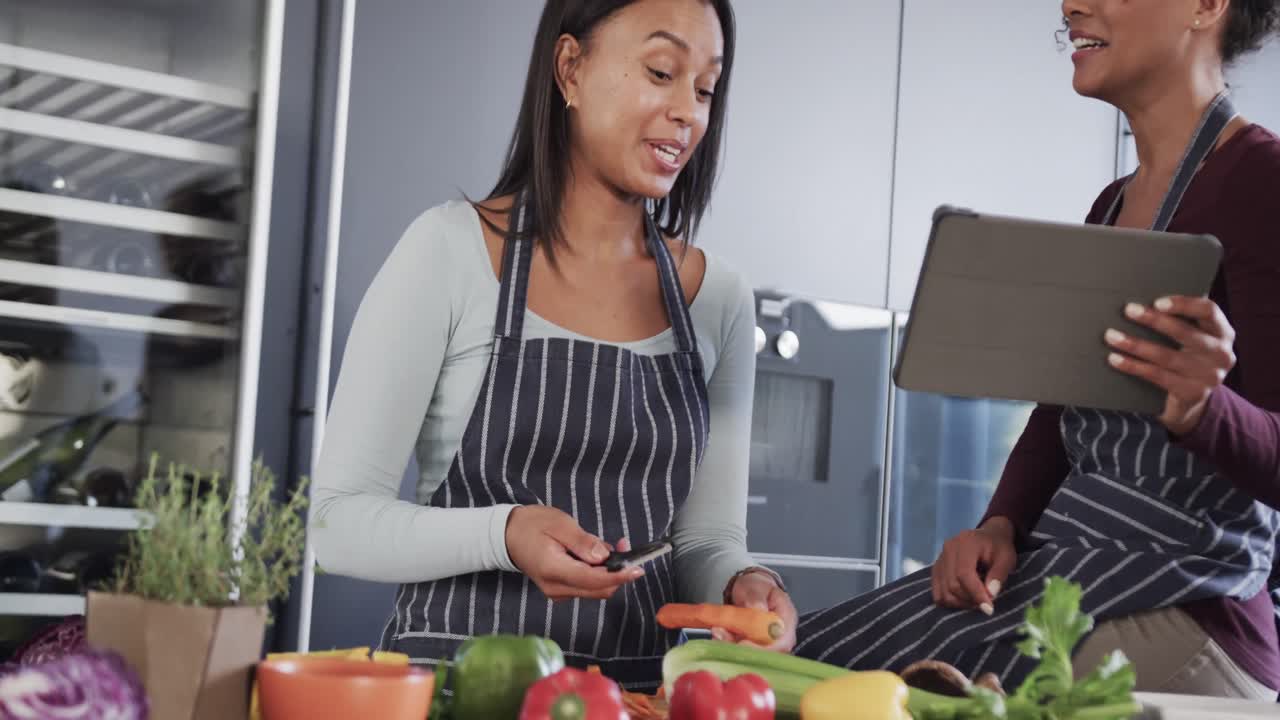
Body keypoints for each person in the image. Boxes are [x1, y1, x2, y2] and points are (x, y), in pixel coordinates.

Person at [794, 0, 1280, 701]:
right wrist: (1001, 524)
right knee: (818, 661)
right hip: (1072, 570)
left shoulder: (1261, 183)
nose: (1070, 3)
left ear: (1205, 6)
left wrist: (1206, 410)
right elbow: (1061, 412)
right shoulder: (1111, 205)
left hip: (1188, 605)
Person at [310, 0, 798, 690]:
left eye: (706, 87)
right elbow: (338, 523)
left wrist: (746, 582)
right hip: (462, 696)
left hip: (636, 701)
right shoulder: (449, 251)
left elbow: (705, 543)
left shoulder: (715, 297)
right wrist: (504, 533)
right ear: (570, 69)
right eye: (662, 71)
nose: (688, 111)